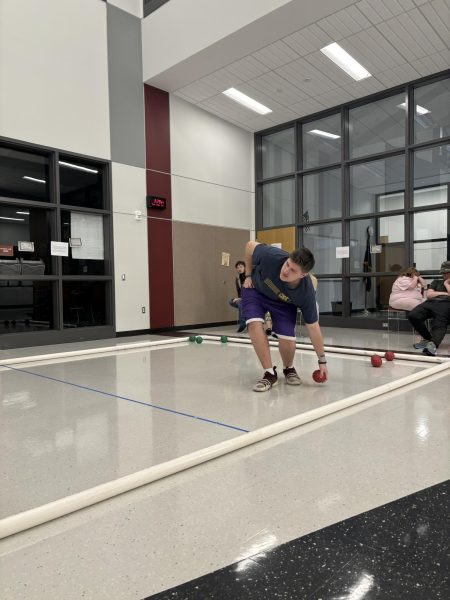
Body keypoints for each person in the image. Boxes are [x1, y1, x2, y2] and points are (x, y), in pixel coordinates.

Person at [241, 241, 328, 392]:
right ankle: (269, 373)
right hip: (255, 289)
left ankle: (289, 368)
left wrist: (322, 360)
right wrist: (248, 275)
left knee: (288, 340)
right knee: (254, 323)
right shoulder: (271, 255)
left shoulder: (305, 293)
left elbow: (313, 327)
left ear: (303, 274)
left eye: (293, 270)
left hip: (283, 302)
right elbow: (249, 246)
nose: (286, 270)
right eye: (287, 264)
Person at [407, 261, 450, 356]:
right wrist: (446, 293)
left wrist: (447, 284)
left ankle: (433, 345)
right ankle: (428, 338)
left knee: (439, 322)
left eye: (447, 273)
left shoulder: (446, 282)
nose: (445, 275)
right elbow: (429, 294)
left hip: (446, 305)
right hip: (431, 303)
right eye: (444, 273)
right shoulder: (436, 281)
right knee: (413, 315)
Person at [228, 260, 247, 333]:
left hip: (251, 298)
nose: (239, 269)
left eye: (241, 267)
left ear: (245, 268)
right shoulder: (237, 279)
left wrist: (241, 299)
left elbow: (251, 291)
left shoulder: (248, 277)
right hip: (243, 298)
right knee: (230, 301)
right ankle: (245, 320)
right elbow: (239, 292)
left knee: (240, 303)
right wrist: (238, 298)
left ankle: (242, 324)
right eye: (238, 267)